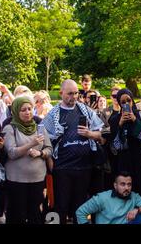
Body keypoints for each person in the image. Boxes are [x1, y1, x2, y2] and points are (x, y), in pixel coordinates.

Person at [42, 79, 104, 224]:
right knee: (60, 207)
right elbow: (44, 140)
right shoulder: (53, 114)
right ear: (61, 93)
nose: (74, 96)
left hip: (84, 167)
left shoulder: (85, 110)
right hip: (63, 168)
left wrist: (90, 134)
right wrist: (50, 163)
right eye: (70, 93)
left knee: (80, 208)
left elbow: (102, 133)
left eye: (76, 93)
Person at [3, 96, 52, 224]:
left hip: (37, 179)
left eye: (30, 109)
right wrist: (31, 144)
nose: (27, 112)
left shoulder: (39, 127)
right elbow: (12, 153)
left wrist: (40, 153)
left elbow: (49, 149)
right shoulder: (10, 128)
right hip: (16, 180)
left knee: (35, 213)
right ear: (16, 111)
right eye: (23, 110)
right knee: (16, 214)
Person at [109, 89, 141, 201]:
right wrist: (120, 125)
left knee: (140, 190)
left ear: (132, 100)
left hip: (139, 160)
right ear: (119, 103)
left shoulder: (140, 115)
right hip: (123, 162)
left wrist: (135, 121)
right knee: (124, 192)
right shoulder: (114, 119)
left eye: (128, 101)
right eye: (123, 102)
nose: (126, 104)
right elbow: (115, 146)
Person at [76, 171, 141, 224]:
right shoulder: (102, 198)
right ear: (115, 185)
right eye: (123, 184)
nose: (127, 188)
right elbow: (80, 212)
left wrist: (137, 210)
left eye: (129, 184)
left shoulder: (134, 196)